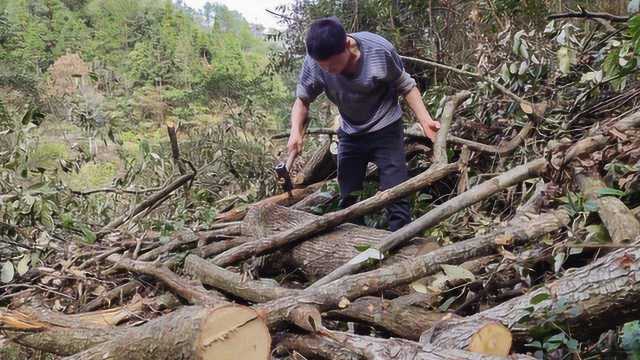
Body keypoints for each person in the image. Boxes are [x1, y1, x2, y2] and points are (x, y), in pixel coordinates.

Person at [287, 16, 440, 231]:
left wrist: (426, 121)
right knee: (348, 196)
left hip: (386, 127)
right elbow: (302, 101)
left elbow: (406, 85)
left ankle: (401, 242)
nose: (328, 70)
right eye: (324, 66)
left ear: (348, 45)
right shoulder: (315, 63)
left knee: (397, 194)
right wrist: (295, 131)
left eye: (332, 65)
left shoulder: (378, 50)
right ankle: (354, 242)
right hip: (351, 132)